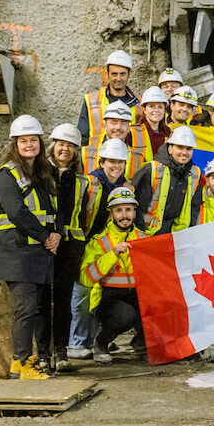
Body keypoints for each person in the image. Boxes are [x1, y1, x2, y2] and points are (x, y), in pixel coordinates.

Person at [0, 115, 60, 380]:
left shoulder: (42, 173)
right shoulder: (6, 175)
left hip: (37, 252)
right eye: (24, 141)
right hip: (15, 253)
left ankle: (34, 359)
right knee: (26, 308)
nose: (29, 145)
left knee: (39, 308)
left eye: (33, 140)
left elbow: (54, 208)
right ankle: (19, 365)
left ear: (40, 143)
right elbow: (17, 212)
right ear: (15, 144)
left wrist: (56, 234)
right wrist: (46, 236)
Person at [68, 138, 130, 360]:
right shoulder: (89, 183)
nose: (116, 166)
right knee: (81, 293)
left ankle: (91, 341)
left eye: (120, 162)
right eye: (111, 161)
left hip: (104, 246)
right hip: (83, 244)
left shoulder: (126, 186)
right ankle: (76, 343)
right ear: (102, 161)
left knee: (95, 294)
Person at [40, 123, 89, 374]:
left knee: (62, 300)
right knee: (39, 301)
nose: (65, 149)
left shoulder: (81, 181)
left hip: (69, 247)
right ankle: (41, 353)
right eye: (62, 144)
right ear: (53, 145)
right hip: (43, 243)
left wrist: (77, 246)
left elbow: (83, 216)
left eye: (70, 146)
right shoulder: (39, 174)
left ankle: (60, 350)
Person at [79, 187, 146, 364]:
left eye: (128, 209)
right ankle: (101, 343)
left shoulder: (144, 238)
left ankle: (142, 344)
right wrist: (112, 254)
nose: (124, 215)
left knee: (160, 306)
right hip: (109, 296)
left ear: (134, 211)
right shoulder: (99, 241)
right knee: (126, 316)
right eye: (119, 210)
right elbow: (86, 277)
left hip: (136, 294)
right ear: (112, 213)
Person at [132, 126, 202, 236]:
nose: (184, 152)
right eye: (180, 147)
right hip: (146, 233)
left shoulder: (195, 174)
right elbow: (135, 206)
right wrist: (140, 234)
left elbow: (194, 208)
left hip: (176, 235)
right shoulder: (151, 169)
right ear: (170, 149)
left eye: (188, 149)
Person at [78, 50, 140, 143]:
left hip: (128, 156)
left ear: (129, 74)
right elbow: (82, 137)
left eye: (122, 74)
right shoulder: (91, 100)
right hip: (97, 156)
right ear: (107, 74)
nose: (118, 78)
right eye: (114, 74)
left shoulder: (140, 104)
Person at [81, 100, 134, 174]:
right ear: (104, 126)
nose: (118, 127)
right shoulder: (85, 153)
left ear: (128, 128)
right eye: (114, 122)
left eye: (123, 123)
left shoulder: (138, 157)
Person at [129, 86, 172, 170]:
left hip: (163, 182)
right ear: (144, 109)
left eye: (160, 107)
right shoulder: (132, 132)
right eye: (151, 106)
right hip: (136, 181)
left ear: (164, 110)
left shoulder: (170, 134)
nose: (156, 110)